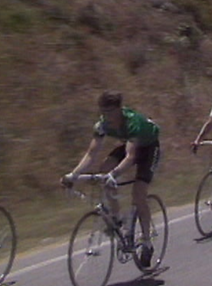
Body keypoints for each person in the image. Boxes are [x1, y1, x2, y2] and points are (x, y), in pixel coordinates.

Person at [61, 91, 160, 268]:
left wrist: (114, 175)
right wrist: (73, 175)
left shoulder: (132, 122)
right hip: (131, 145)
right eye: (103, 112)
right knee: (103, 169)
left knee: (138, 195)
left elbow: (130, 157)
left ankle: (146, 242)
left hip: (149, 148)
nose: (107, 116)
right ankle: (117, 218)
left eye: (110, 112)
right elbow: (91, 154)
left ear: (119, 109)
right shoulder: (102, 125)